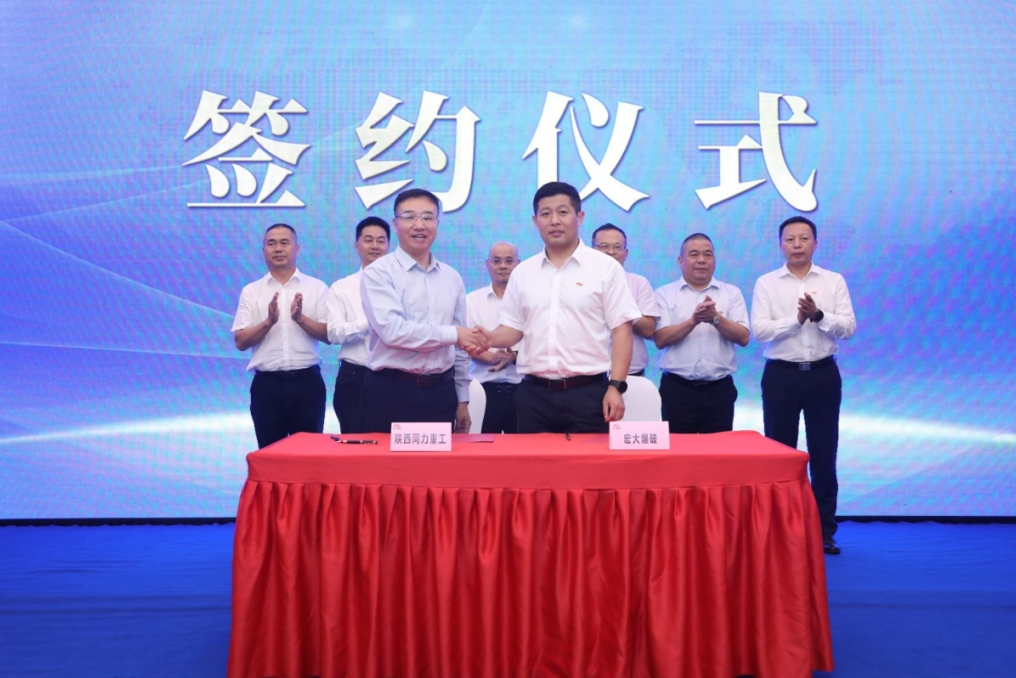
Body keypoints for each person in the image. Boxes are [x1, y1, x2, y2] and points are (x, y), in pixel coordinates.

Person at [478, 182, 641, 433]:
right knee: (532, 460)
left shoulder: (606, 268)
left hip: (588, 394)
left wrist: (616, 386)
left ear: (580, 217)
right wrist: (486, 338)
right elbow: (512, 329)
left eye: (563, 212)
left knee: (588, 460)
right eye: (546, 214)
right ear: (536, 221)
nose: (554, 220)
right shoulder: (523, 272)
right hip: (533, 395)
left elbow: (622, 331)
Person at [751, 216, 857, 555]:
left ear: (815, 243)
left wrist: (819, 316)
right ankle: (781, 529)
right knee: (780, 454)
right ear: (780, 244)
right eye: (790, 239)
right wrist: (796, 320)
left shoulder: (833, 280)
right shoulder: (767, 283)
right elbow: (760, 331)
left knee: (824, 452)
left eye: (804, 238)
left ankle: (824, 530)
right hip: (781, 376)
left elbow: (848, 327)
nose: (797, 245)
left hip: (823, 375)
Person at [358, 188, 485, 434]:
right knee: (383, 460)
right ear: (395, 224)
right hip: (390, 392)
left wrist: (462, 399)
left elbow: (460, 349)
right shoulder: (378, 272)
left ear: (437, 223)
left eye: (427, 217)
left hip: (441, 394)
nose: (419, 225)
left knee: (437, 460)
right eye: (409, 217)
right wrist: (455, 334)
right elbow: (393, 332)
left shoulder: (452, 277)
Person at [232, 223, 329, 448]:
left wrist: (301, 319)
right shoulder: (251, 291)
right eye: (271, 243)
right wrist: (268, 323)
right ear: (263, 250)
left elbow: (329, 335)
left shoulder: (317, 288)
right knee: (270, 455)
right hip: (267, 387)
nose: (278, 248)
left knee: (309, 455)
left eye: (285, 243)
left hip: (307, 385)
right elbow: (240, 341)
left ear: (297, 248)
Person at [653, 233, 750, 433]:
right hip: (677, 390)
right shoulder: (664, 293)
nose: (701, 260)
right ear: (680, 260)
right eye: (694, 254)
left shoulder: (731, 293)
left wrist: (716, 319)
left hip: (719, 390)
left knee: (718, 451)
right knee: (677, 450)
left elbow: (744, 337)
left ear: (714, 260)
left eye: (707, 254)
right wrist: (694, 321)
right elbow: (660, 339)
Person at [326, 216, 390, 434]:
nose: (375, 246)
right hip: (355, 377)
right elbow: (334, 333)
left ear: (388, 246)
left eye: (381, 240)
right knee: (353, 444)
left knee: (392, 445)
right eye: (368, 240)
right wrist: (370, 323)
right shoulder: (341, 287)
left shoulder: (405, 286)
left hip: (395, 377)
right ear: (357, 245)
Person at [466, 242, 523, 433]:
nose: (503, 266)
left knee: (523, 448)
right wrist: (490, 357)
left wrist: (515, 356)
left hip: (522, 390)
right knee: (481, 448)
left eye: (509, 261)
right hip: (482, 391)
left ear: (518, 264)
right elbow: (463, 342)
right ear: (487, 265)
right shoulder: (471, 301)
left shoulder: (529, 300)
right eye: (497, 261)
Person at [591, 223, 660, 377]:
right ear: (592, 251)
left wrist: (623, 305)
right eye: (604, 246)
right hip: (589, 375)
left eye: (617, 247)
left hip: (631, 374)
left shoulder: (639, 283)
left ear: (625, 253)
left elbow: (648, 330)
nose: (611, 252)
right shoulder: (580, 283)